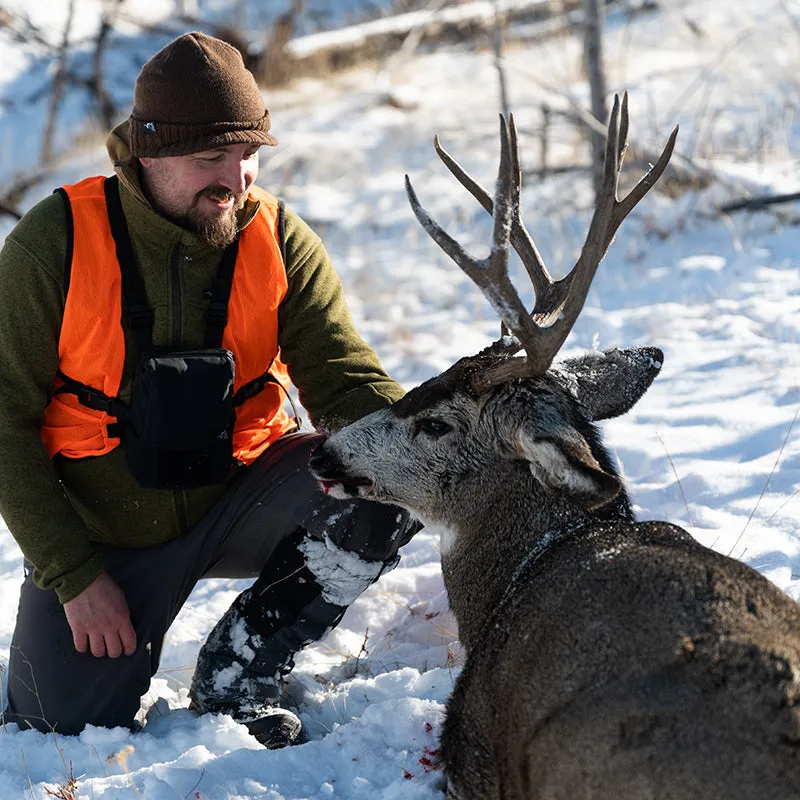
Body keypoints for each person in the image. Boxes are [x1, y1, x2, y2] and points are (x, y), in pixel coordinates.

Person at [0, 31, 417, 748]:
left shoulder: (280, 237)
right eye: (210, 159)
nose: (237, 178)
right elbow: (2, 419)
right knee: (53, 727)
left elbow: (341, 374)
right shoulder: (54, 242)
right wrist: (73, 575)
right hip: (106, 536)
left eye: (249, 154)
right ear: (147, 153)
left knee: (389, 478)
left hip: (246, 493)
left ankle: (243, 663)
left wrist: (425, 439)